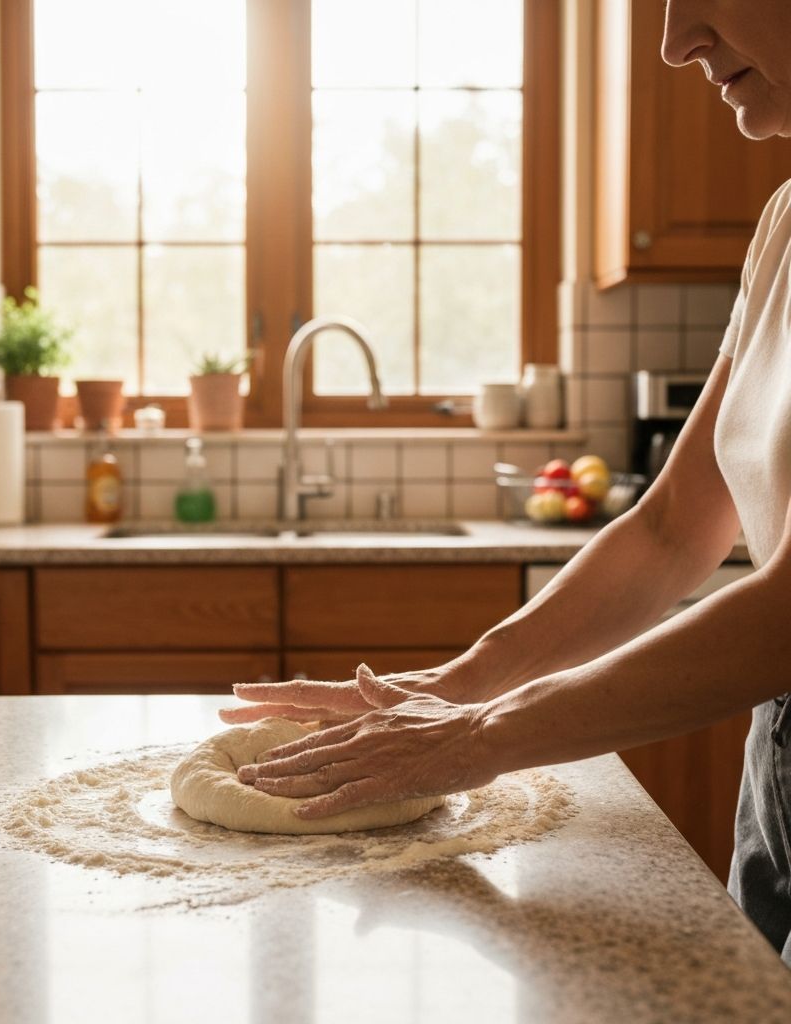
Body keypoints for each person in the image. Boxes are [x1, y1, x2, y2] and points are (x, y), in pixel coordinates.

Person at [221, 0, 791, 965]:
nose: (674, 41)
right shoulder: (784, 220)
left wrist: (480, 736)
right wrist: (458, 684)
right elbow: (670, 534)